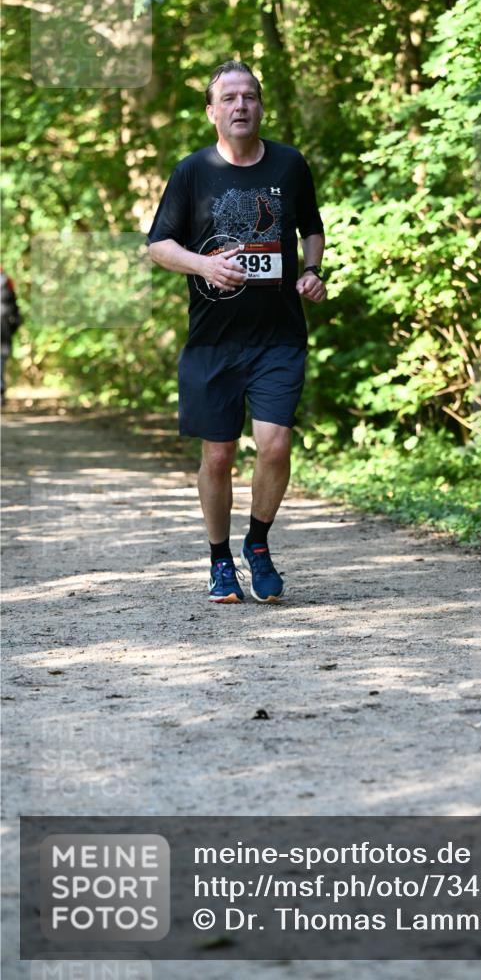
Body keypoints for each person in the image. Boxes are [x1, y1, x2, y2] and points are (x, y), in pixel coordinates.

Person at [147, 60, 326, 605]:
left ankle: (260, 545)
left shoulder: (290, 165)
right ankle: (219, 559)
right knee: (219, 455)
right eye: (229, 98)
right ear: (212, 112)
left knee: (274, 446)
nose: (240, 105)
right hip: (212, 339)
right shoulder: (192, 172)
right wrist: (204, 266)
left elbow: (311, 228)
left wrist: (313, 271)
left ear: (261, 107)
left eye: (249, 96)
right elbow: (159, 245)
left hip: (277, 336)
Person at [1, 270, 22, 402]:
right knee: (1, 357)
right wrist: (13, 327)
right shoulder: (7, 282)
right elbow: (15, 309)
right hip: (4, 325)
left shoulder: (8, 282)